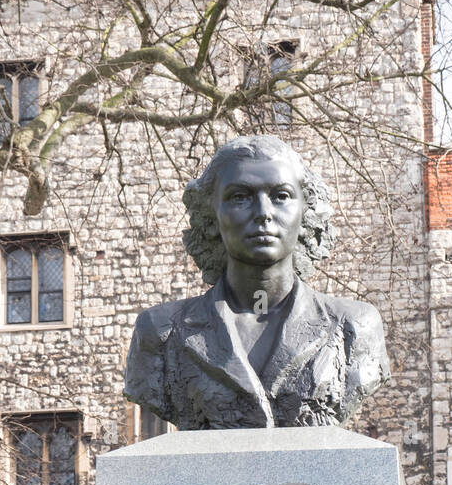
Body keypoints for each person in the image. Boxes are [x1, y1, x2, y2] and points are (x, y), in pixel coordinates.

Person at [123, 135, 389, 429]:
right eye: (240, 197)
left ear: (306, 212)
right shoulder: (160, 332)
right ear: (211, 216)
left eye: (281, 196)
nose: (263, 213)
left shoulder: (354, 326)